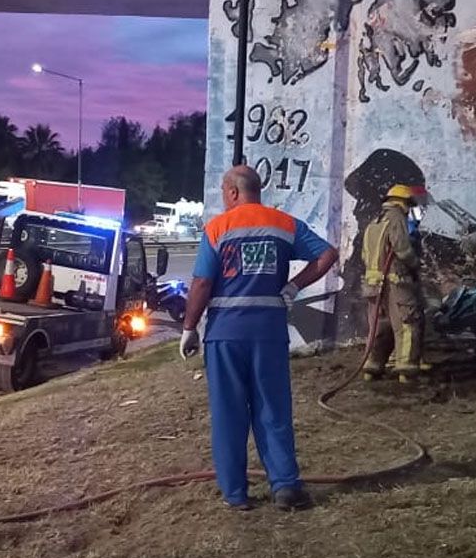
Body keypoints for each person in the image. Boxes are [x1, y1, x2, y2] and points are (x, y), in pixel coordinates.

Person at [180, 166, 339, 511]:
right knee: (273, 409)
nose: (223, 198)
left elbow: (202, 284)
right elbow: (327, 254)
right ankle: (285, 487)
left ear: (234, 192)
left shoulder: (217, 229)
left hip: (225, 336)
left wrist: (189, 327)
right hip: (269, 333)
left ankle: (236, 494)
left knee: (229, 414)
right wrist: (294, 286)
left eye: (224, 191)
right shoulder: (283, 225)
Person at [360, 184, 430, 383]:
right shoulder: (396, 218)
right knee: (408, 324)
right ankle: (406, 371)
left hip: (373, 284)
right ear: (403, 203)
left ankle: (372, 367)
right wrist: (415, 264)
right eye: (409, 204)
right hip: (396, 283)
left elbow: (365, 255)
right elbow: (402, 249)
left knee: (380, 326)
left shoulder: (373, 222)